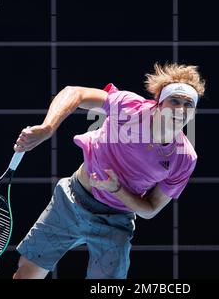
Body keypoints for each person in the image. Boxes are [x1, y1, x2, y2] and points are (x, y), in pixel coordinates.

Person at [12, 63, 206, 279]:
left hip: (116, 222)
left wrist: (117, 189)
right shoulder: (129, 106)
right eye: (174, 101)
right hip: (72, 200)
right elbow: (74, 92)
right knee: (25, 276)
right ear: (159, 103)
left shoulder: (185, 159)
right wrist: (48, 128)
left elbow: (150, 209)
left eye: (188, 104)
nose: (180, 109)